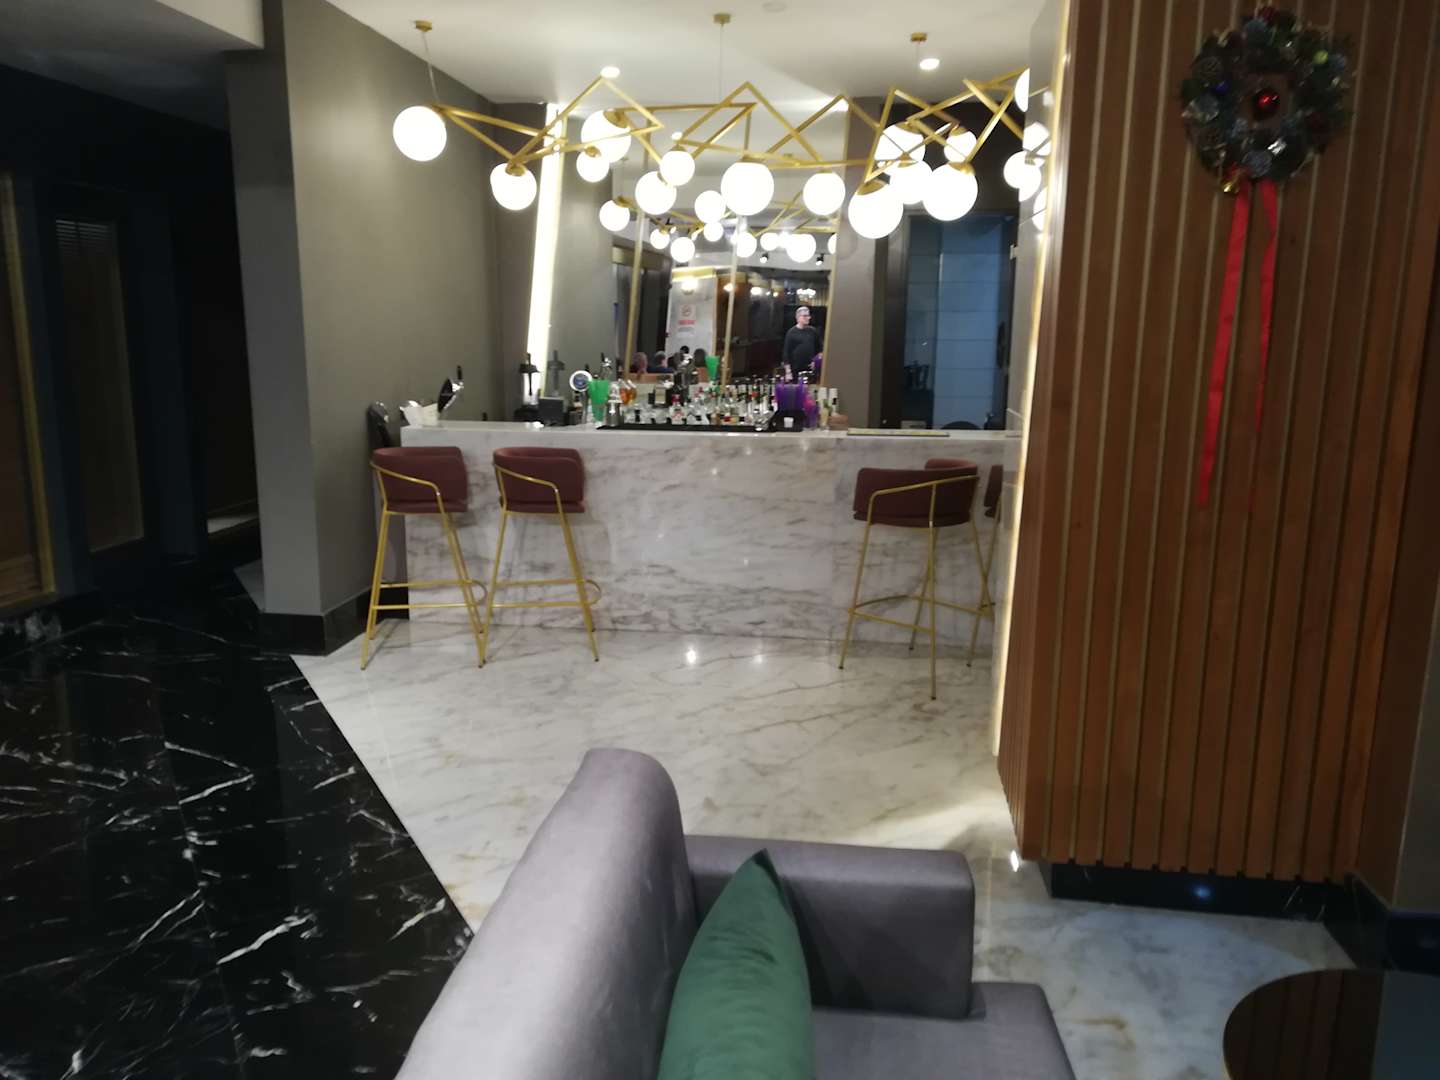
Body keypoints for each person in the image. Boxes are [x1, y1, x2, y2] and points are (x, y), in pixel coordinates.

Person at [782, 307, 821, 380]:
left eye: (808, 316)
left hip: (810, 370)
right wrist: (788, 372)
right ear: (798, 317)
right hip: (795, 371)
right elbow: (786, 354)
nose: (808, 318)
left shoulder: (813, 331)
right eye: (805, 316)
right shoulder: (791, 333)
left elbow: (819, 350)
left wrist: (816, 362)